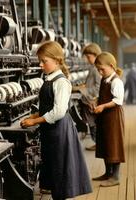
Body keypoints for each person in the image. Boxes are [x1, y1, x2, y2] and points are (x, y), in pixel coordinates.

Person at [20, 41, 92, 200]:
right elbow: (49, 106)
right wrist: (33, 115)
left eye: (44, 61)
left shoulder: (61, 82)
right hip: (51, 129)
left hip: (59, 129)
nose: (40, 65)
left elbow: (59, 111)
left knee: (60, 167)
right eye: (40, 61)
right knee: (54, 165)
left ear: (57, 60)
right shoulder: (49, 79)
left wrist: (35, 121)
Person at [92, 52, 125, 187]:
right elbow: (104, 96)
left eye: (102, 69)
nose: (100, 72)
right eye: (98, 69)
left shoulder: (116, 81)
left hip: (113, 118)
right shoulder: (104, 79)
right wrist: (96, 101)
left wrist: (103, 106)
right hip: (105, 117)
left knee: (114, 144)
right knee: (105, 143)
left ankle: (115, 176)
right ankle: (108, 173)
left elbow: (118, 100)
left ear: (111, 66)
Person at [72, 43, 102, 151]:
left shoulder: (96, 69)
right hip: (89, 101)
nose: (87, 59)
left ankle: (98, 144)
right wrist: (79, 87)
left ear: (96, 55)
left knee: (93, 124)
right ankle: (97, 144)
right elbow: (90, 84)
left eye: (89, 57)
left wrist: (82, 90)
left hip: (91, 102)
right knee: (91, 124)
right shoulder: (92, 68)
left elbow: (98, 88)